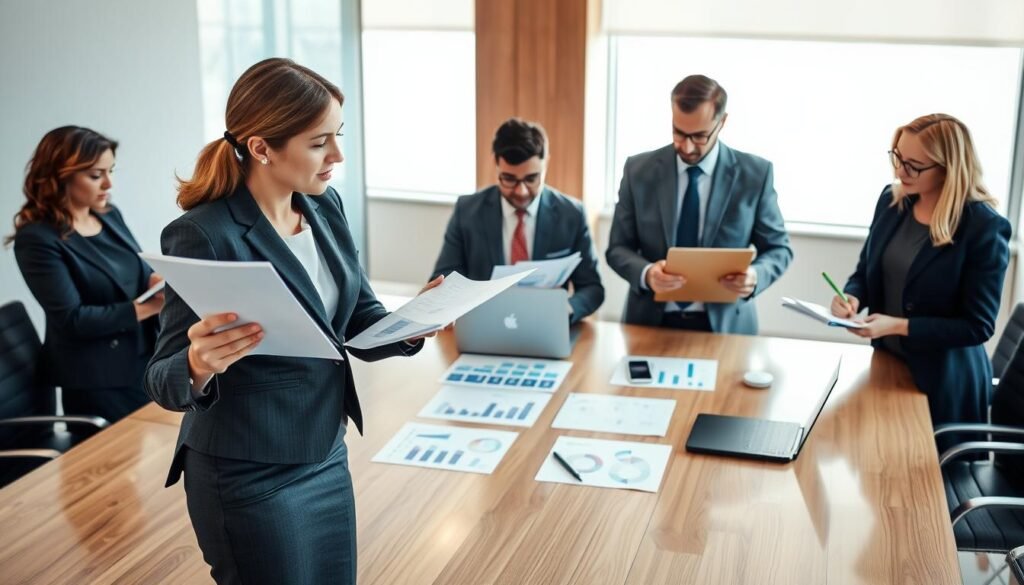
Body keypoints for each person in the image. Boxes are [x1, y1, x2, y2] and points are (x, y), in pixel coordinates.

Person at [144, 58, 439, 584]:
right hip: (248, 471)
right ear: (261, 148)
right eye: (319, 142)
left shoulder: (325, 208)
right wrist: (196, 363)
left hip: (325, 451)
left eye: (338, 136)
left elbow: (357, 317)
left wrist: (410, 324)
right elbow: (161, 377)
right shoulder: (205, 235)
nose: (338, 156)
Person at [832, 113, 1010, 429]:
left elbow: (977, 326)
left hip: (945, 383)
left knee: (928, 476)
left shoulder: (984, 227)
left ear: (948, 170)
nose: (901, 170)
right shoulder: (891, 200)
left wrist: (898, 326)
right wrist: (851, 297)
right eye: (897, 157)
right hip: (889, 366)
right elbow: (866, 271)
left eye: (914, 165)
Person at [606, 74, 792, 333]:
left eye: (700, 136)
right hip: (649, 323)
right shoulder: (638, 170)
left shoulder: (755, 175)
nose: (687, 146)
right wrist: (647, 273)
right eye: (678, 133)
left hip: (728, 327)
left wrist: (755, 277)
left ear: (722, 122)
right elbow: (617, 248)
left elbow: (779, 248)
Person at [9, 126, 161, 423]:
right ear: (61, 176)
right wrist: (149, 307)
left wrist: (154, 281)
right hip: (98, 380)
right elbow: (72, 320)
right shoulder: (38, 239)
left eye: (111, 171)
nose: (108, 183)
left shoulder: (108, 215)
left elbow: (137, 270)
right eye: (96, 175)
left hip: (145, 360)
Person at [430, 117, 604, 323]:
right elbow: (443, 280)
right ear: (496, 165)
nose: (521, 191)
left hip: (545, 325)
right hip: (484, 325)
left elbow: (593, 288)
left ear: (545, 164)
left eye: (531, 179)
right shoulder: (467, 211)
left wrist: (566, 309)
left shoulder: (572, 214)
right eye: (509, 179)